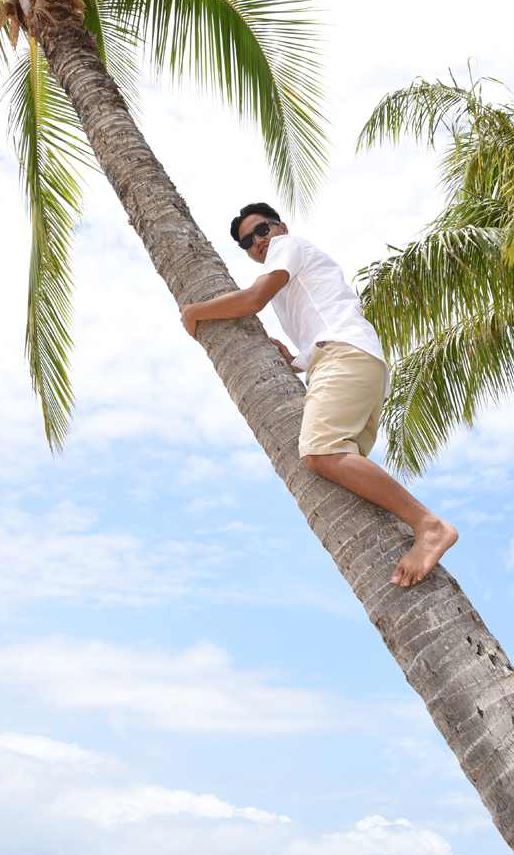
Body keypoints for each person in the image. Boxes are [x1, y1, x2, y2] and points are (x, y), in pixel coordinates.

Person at [179, 202, 458, 587]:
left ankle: (429, 526)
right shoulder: (292, 279)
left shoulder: (286, 247)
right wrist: (295, 360)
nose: (259, 240)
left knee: (320, 451)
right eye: (248, 240)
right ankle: (421, 528)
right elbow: (322, 320)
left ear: (282, 226)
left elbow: (251, 301)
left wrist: (194, 311)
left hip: (344, 356)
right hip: (355, 360)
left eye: (264, 229)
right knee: (341, 461)